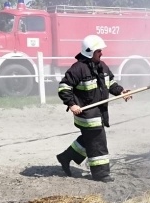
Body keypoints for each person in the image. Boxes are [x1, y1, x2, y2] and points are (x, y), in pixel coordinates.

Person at [56, 34, 130, 182]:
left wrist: (121, 91)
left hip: (100, 112)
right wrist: (72, 104)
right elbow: (64, 88)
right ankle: (101, 174)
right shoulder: (78, 69)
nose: (101, 53)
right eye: (98, 51)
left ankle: (66, 157)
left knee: (90, 139)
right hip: (86, 115)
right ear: (90, 52)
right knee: (98, 142)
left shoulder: (102, 67)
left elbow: (111, 84)